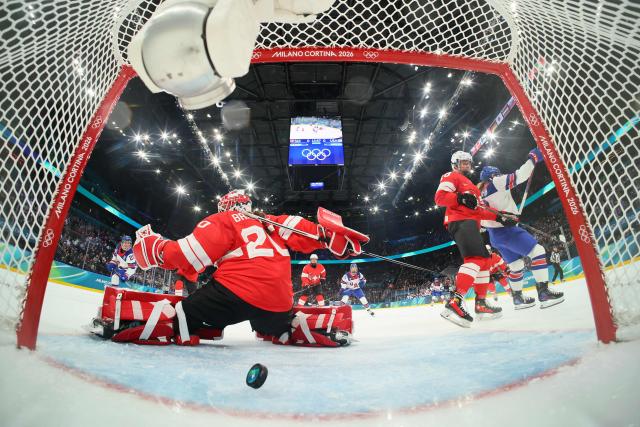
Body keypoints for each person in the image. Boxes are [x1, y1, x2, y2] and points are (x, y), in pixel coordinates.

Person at [94, 190, 368, 347]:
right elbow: (303, 230)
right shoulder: (272, 221)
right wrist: (328, 235)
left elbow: (187, 256)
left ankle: (168, 327)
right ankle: (285, 327)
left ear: (225, 206)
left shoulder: (224, 219)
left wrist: (154, 247)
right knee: (268, 321)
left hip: (233, 294)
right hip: (277, 302)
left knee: (184, 313)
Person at [434, 151, 515, 327]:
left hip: (470, 223)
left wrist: (500, 218)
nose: (467, 165)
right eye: (463, 162)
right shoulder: (452, 176)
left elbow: (479, 211)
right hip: (460, 221)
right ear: (455, 164)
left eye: (468, 162)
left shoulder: (472, 186)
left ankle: (481, 303)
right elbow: (440, 198)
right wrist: (460, 198)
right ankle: (455, 302)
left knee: (485, 262)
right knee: (476, 259)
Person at [478, 148, 564, 309]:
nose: (499, 176)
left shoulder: (480, 193)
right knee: (537, 251)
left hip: (495, 236)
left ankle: (517, 298)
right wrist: (532, 158)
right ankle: (544, 292)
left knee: (516, 266)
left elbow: (481, 221)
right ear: (492, 176)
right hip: (506, 231)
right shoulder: (496, 182)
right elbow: (521, 175)